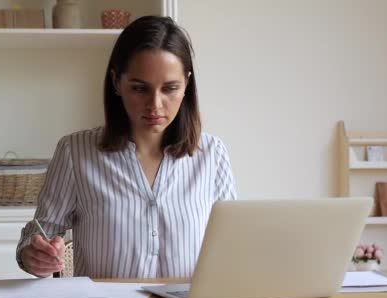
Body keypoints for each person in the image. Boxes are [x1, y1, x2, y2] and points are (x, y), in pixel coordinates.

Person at [16, 15, 236, 279]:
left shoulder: (212, 154)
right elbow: (40, 232)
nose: (155, 104)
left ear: (187, 84)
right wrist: (33, 254)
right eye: (140, 88)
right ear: (116, 82)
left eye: (170, 88)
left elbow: (232, 245)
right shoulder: (75, 152)